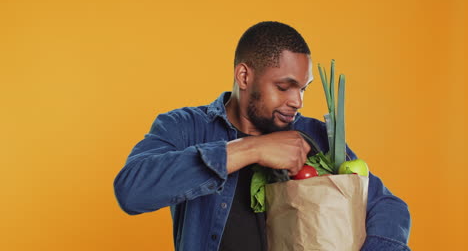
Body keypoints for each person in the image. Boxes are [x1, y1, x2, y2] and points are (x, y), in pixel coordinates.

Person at [114, 21, 411, 251]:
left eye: (303, 88)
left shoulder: (314, 136)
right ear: (244, 77)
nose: (298, 101)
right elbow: (131, 191)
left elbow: (388, 206)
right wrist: (251, 149)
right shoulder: (185, 126)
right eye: (284, 87)